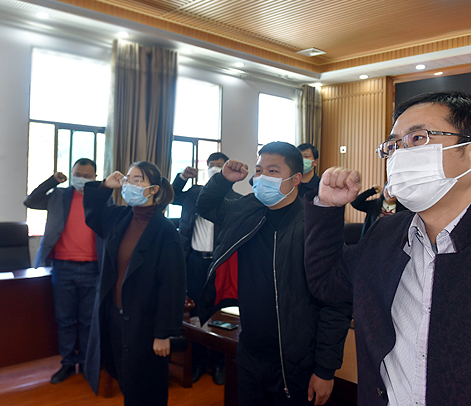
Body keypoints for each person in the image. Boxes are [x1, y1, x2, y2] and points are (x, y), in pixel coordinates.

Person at [304, 91, 471, 405]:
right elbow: (327, 284)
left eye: (417, 138)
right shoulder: (386, 234)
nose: (399, 154)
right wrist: (326, 207)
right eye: (393, 145)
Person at [196, 142, 352, 406]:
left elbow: (336, 302)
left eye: (272, 171)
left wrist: (325, 370)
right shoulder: (247, 210)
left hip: (296, 361)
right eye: (259, 170)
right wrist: (223, 179)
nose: (262, 177)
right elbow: (206, 207)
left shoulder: (314, 225)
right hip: (250, 351)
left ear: (296, 179)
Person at [83, 161, 186, 406]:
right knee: (127, 383)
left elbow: (172, 287)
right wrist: (105, 186)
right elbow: (93, 215)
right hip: (117, 319)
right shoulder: (120, 217)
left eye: (137, 180)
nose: (129, 185)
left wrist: (163, 334)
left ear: (154, 189)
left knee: (147, 390)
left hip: (145, 325)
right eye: (128, 179)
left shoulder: (165, 230)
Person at [23, 158, 100, 384]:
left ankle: (85, 362)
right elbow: (31, 201)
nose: (81, 179)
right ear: (71, 173)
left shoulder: (100, 198)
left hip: (93, 268)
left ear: (95, 178)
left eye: (87, 176)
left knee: (87, 321)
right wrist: (52, 181)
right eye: (78, 174)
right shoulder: (58, 195)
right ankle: (67, 363)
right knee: (65, 319)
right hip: (62, 267)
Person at [171, 152, 240, 385]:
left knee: (219, 311)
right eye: (211, 165)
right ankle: (199, 361)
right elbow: (172, 196)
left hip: (220, 263)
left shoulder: (235, 199)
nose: (214, 169)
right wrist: (182, 177)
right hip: (194, 261)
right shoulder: (193, 193)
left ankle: (219, 363)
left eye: (219, 165)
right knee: (197, 313)